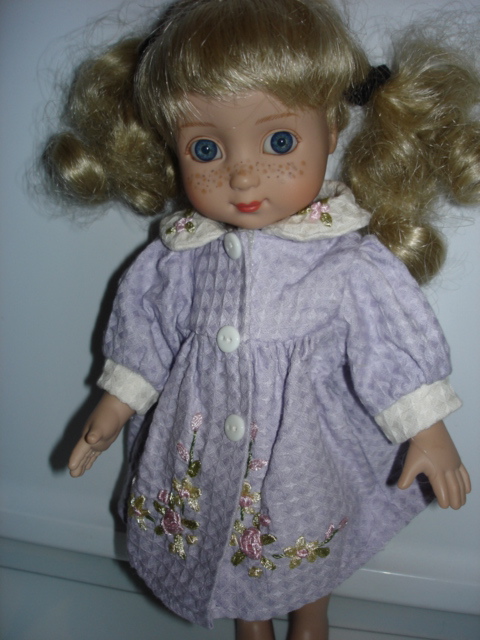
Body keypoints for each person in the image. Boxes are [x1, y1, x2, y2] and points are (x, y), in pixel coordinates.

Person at [44, 0, 479, 637]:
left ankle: (311, 616)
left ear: (332, 131)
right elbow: (147, 331)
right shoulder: (179, 256)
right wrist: (115, 404)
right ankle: (250, 621)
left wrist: (427, 428)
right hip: (198, 436)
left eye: (279, 141)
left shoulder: (347, 259)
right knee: (223, 535)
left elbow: (388, 339)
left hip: (303, 448)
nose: (243, 175)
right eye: (206, 148)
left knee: (304, 532)